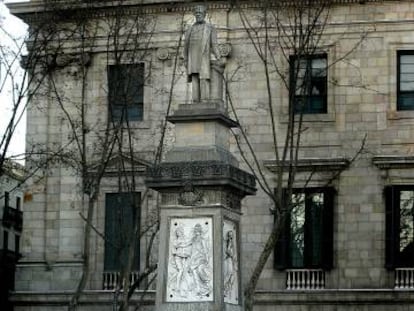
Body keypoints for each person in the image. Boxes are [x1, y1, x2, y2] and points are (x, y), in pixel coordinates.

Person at [183, 5, 224, 103]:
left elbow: (214, 44)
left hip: (204, 57)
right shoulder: (190, 29)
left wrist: (219, 57)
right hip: (193, 58)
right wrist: (185, 59)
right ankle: (195, 100)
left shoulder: (210, 28)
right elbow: (186, 46)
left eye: (200, 13)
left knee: (204, 78)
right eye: (196, 13)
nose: (198, 15)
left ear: (204, 14)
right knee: (195, 77)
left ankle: (205, 100)